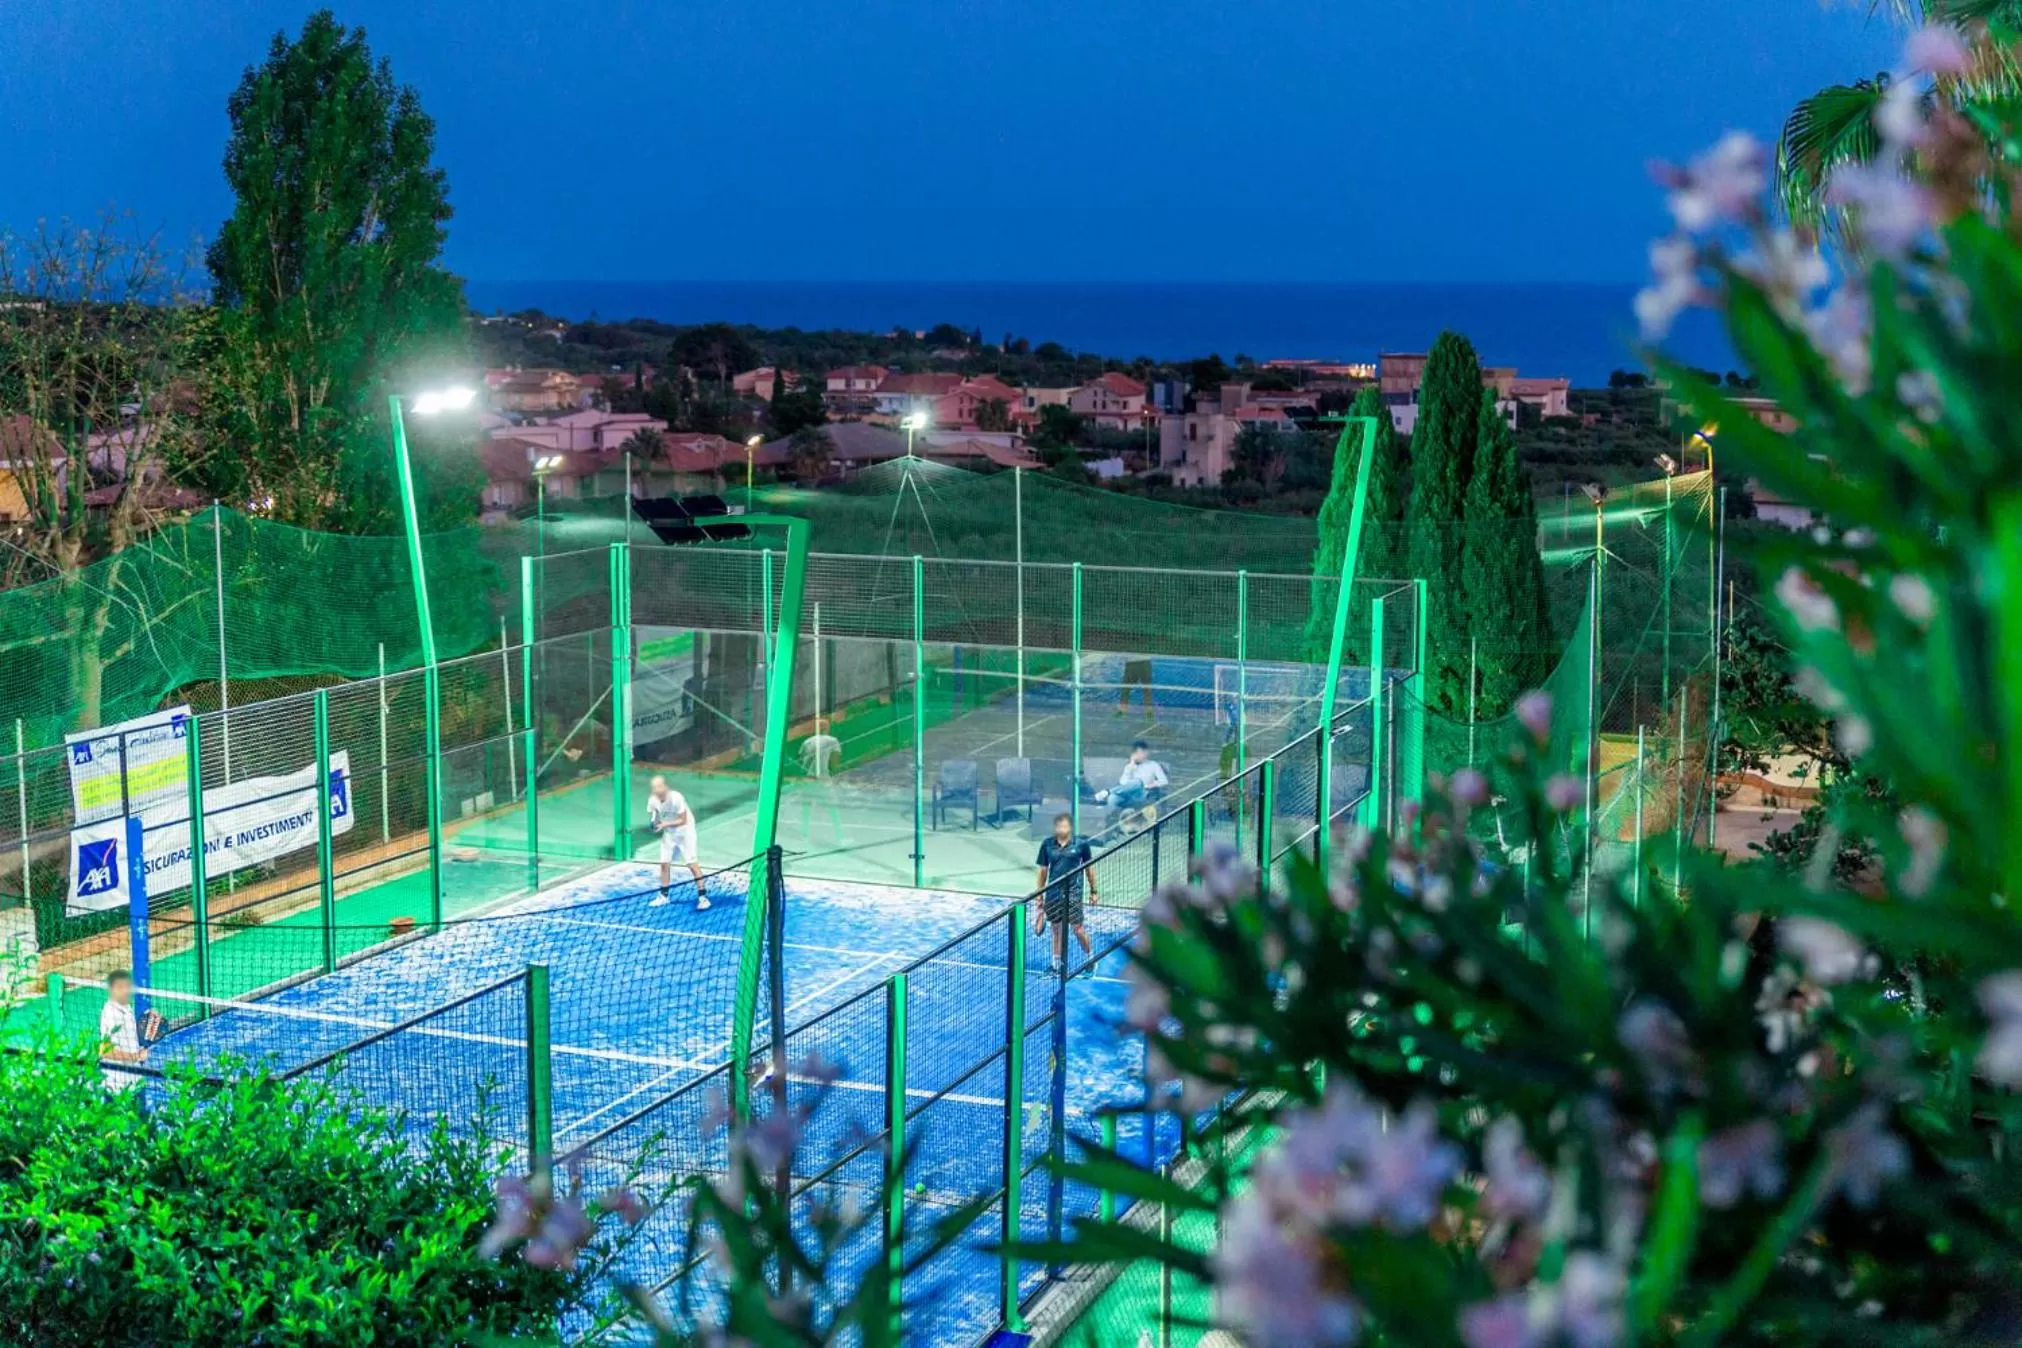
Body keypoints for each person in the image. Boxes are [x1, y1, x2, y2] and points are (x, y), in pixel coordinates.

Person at [1033, 813, 1098, 966]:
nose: (1062, 828)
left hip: (1073, 893)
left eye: (1065, 826)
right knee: (1056, 929)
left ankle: (1091, 960)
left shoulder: (1081, 845)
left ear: (1070, 828)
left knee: (1078, 929)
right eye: (1059, 826)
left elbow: (1089, 869)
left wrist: (1094, 891)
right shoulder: (1047, 844)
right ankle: (1056, 966)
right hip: (1053, 893)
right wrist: (1039, 895)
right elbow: (1043, 871)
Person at [646, 775, 707, 909]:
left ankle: (703, 897)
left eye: (660, 786)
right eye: (655, 788)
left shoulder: (676, 798)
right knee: (664, 864)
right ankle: (664, 896)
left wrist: (664, 824)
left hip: (686, 833)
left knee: (692, 865)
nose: (657, 790)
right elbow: (655, 814)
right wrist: (654, 824)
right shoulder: (652, 800)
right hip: (669, 834)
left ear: (665, 787)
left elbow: (683, 820)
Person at [98, 969, 160, 1094]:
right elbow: (105, 1051)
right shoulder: (111, 1014)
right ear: (111, 990)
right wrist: (136, 1057)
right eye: (120, 987)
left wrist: (147, 1021)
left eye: (127, 986)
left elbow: (128, 1035)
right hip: (116, 1087)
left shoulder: (126, 1006)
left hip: (134, 1079)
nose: (125, 990)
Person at [1093, 740, 1170, 818]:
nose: (1142, 755)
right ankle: (1112, 818)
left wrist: (1154, 784)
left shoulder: (1153, 764)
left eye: (1143, 752)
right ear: (1134, 754)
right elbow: (1123, 784)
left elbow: (1164, 781)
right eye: (1139, 753)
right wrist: (1130, 767)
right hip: (1128, 795)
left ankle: (1107, 792)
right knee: (1112, 798)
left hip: (1143, 793)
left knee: (1137, 782)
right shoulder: (1129, 766)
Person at [1117, 656, 1155, 721]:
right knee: (1126, 688)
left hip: (1144, 661)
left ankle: (1149, 713)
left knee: (1147, 689)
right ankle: (1122, 711)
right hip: (1130, 662)